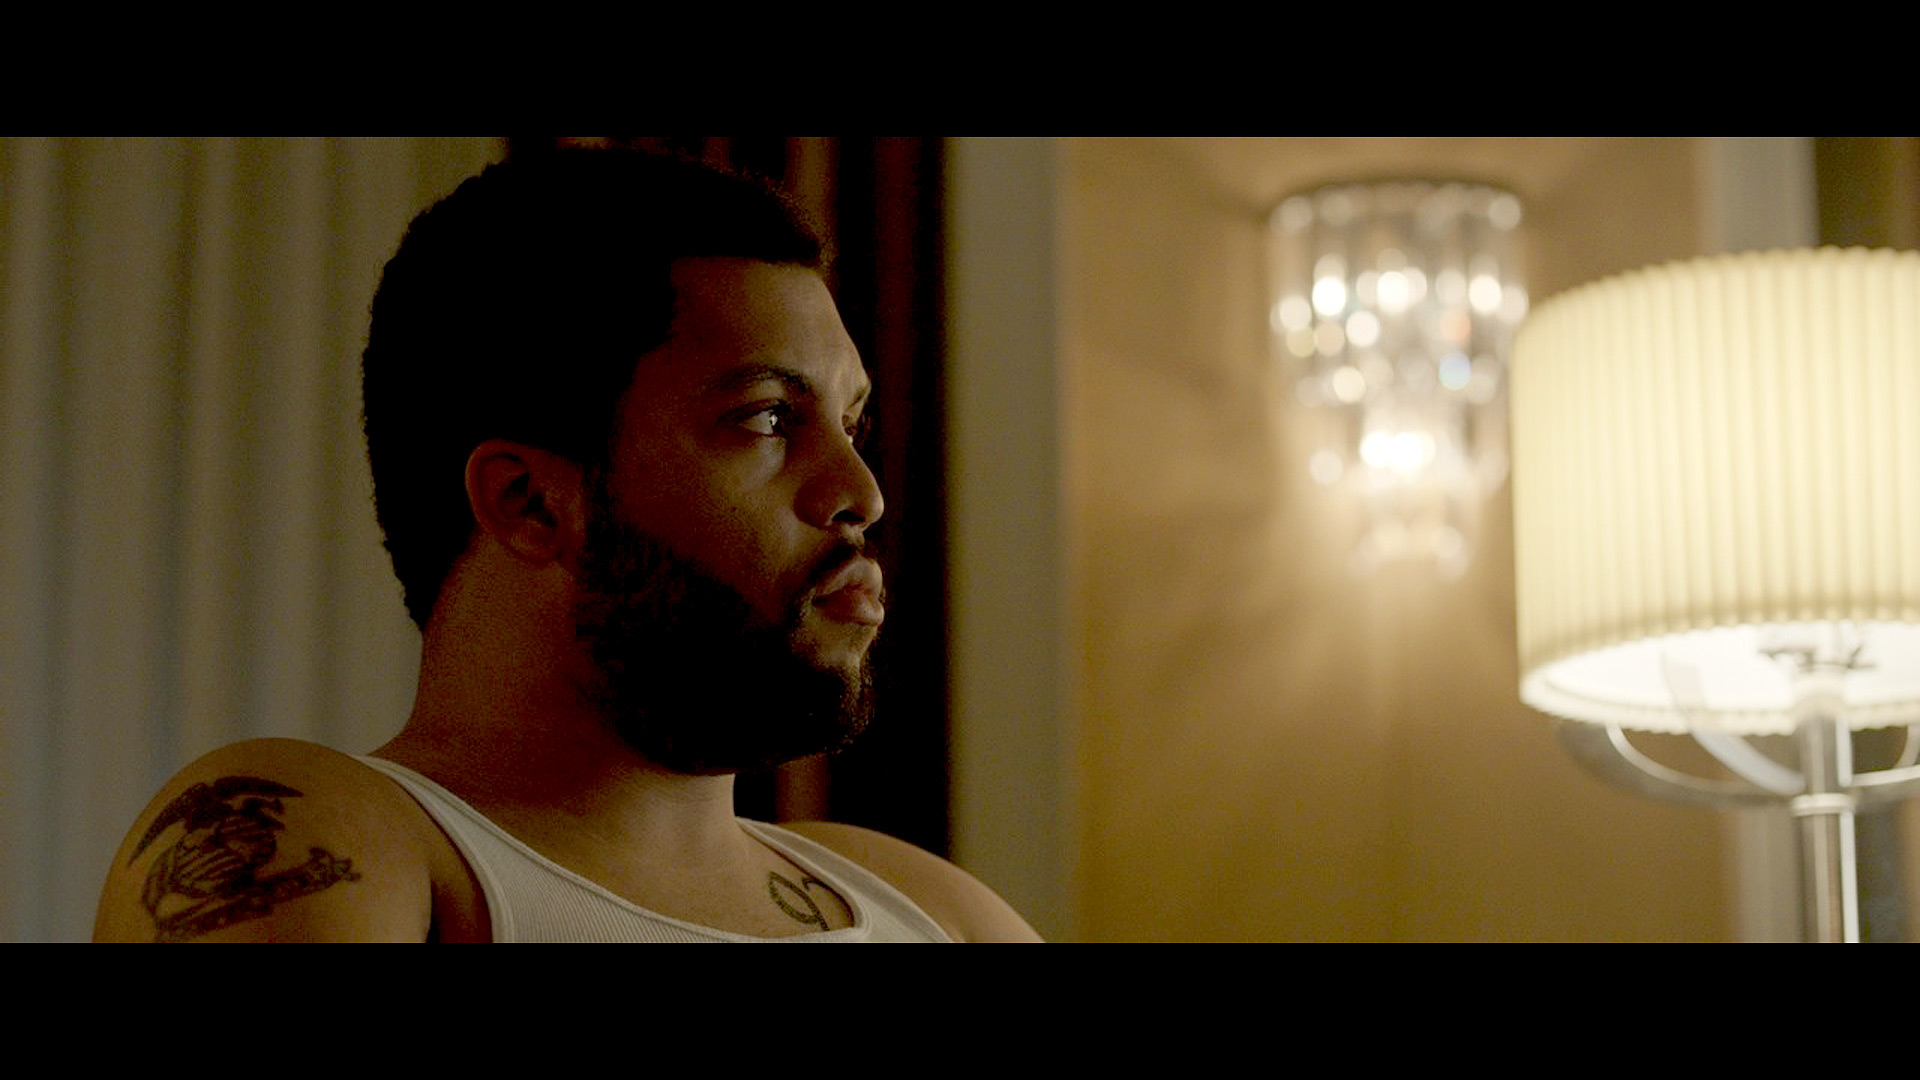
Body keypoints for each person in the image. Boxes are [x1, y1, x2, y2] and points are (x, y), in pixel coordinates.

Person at [93, 150, 1041, 942]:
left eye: (851, 423)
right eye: (766, 419)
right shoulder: (322, 838)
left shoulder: (933, 907)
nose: (861, 494)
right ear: (531, 504)